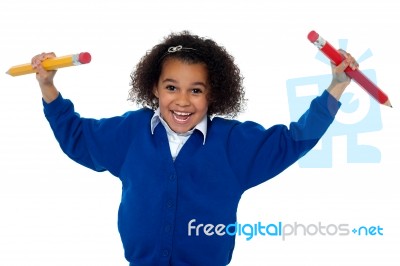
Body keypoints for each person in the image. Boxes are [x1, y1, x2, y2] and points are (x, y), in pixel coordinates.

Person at [32, 31, 358, 266]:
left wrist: (337, 86)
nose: (183, 101)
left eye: (196, 90)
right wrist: (48, 86)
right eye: (172, 87)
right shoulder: (129, 132)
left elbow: (292, 141)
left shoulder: (234, 144)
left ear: (212, 95)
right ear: (154, 89)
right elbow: (76, 136)